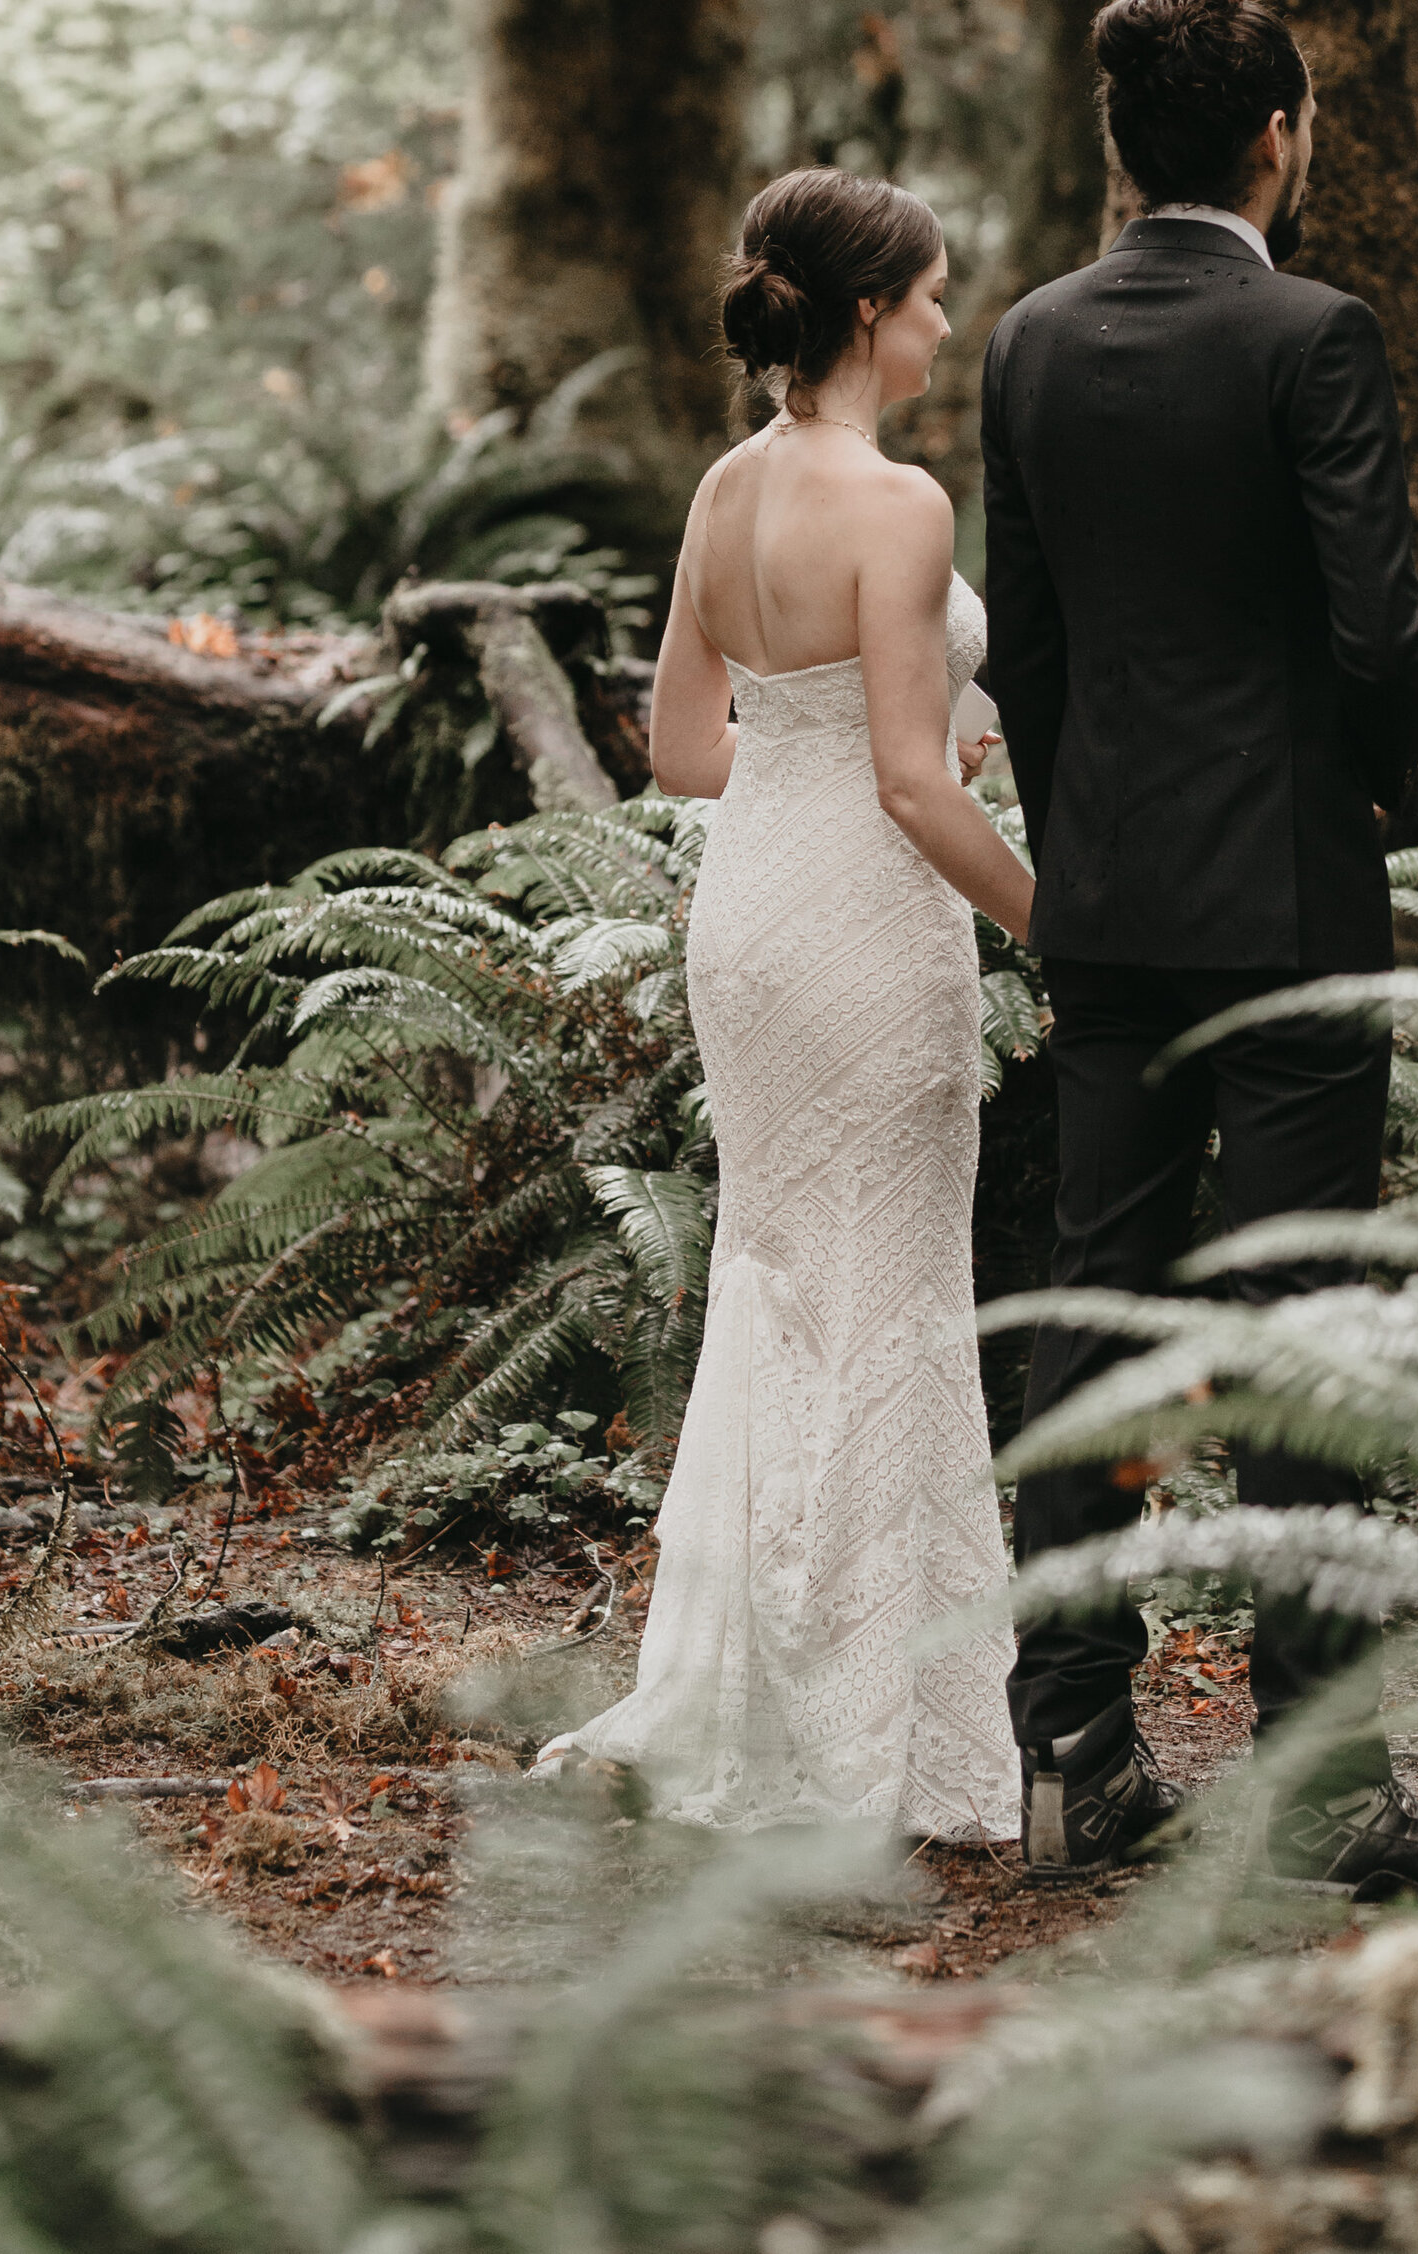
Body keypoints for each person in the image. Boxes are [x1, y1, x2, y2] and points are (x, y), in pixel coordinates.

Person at [981, 0, 1418, 1898]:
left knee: (1094, 1315)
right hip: (1282, 899)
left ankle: (1075, 1751)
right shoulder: (1312, 336)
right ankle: (1320, 1779)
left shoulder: (1023, 341)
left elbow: (1022, 653)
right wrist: (1364, 777)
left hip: (1102, 904)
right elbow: (1378, 635)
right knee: (1297, 1335)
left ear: (1125, 141)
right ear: (1274, 136)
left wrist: (1079, 828)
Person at [536, 167, 1031, 1837]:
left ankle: (759, 1686)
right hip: (872, 932)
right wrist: (1060, 921)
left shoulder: (723, 491)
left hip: (751, 916)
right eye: (937, 295)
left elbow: (683, 751)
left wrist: (838, 758)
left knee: (781, 1278)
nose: (952, 322)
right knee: (887, 1294)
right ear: (874, 312)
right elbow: (911, 783)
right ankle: (857, 1736)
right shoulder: (897, 508)